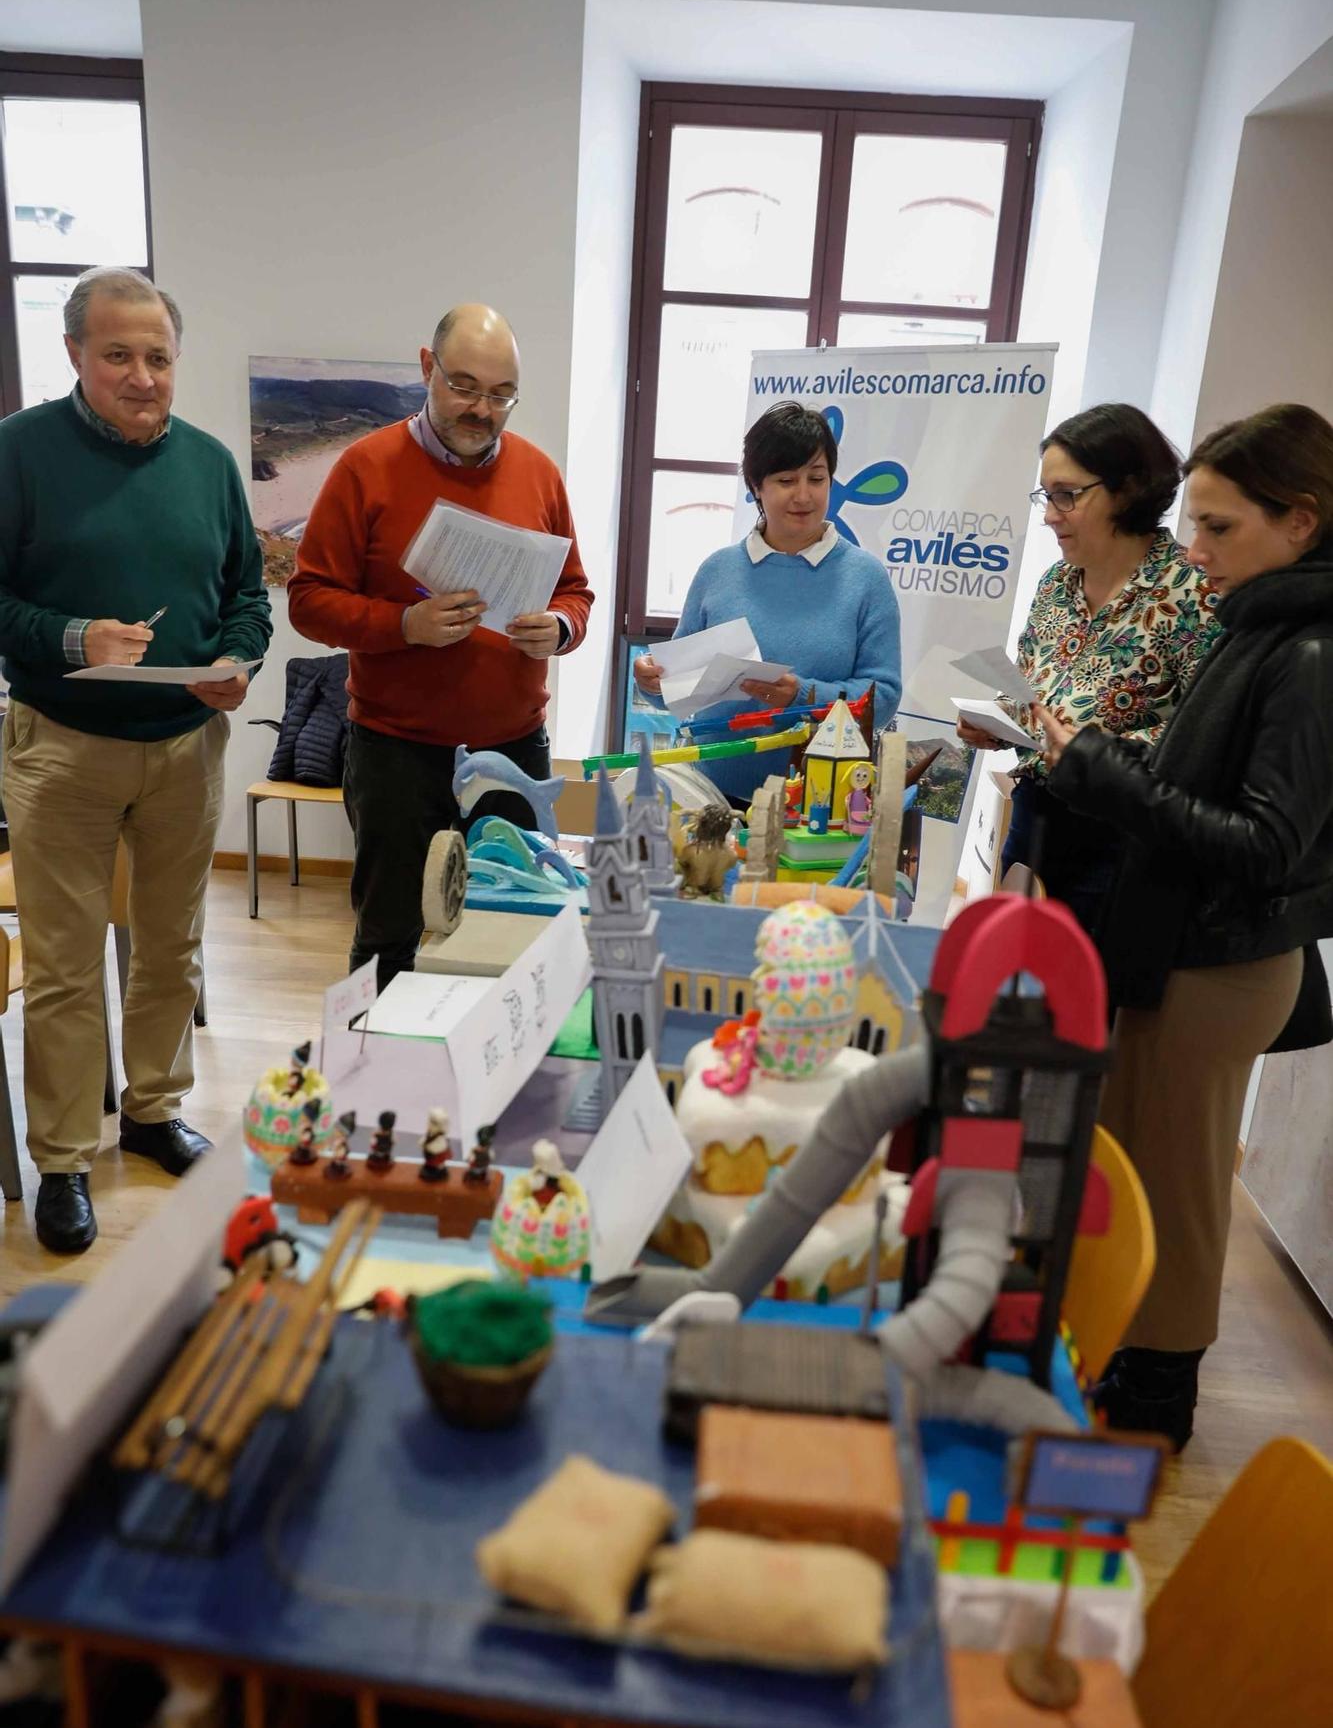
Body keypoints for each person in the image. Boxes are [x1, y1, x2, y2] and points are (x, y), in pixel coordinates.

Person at [1037, 403, 1333, 1448]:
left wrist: (1104, 774)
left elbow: (1264, 845)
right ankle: (1132, 1358)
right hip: (1184, 944)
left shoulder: (1305, 652)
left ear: (1299, 521)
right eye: (1193, 523)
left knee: (1182, 1179)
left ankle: (1157, 1397)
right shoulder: (1259, 624)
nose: (1193, 548)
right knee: (1149, 1163)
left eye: (1217, 528)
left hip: (1220, 958)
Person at [0, 267, 270, 1255]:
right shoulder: (19, 452)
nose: (142, 376)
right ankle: (65, 1157)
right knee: (67, 967)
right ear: (75, 354)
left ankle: (153, 1108)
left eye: (158, 356)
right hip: (60, 749)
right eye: (119, 354)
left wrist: (240, 659)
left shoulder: (206, 464)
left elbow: (247, 593)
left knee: (171, 945)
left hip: (187, 747)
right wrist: (73, 638)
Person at [288, 303, 593, 989]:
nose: (481, 409)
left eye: (500, 395)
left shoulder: (539, 474)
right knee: (388, 935)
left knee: (514, 928)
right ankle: (371, 1087)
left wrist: (560, 628)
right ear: (426, 369)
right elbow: (309, 600)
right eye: (463, 386)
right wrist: (404, 626)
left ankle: (498, 1089)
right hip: (397, 751)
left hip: (512, 752)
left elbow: (575, 591)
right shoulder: (364, 469)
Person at [958, 403, 1218, 936]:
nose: (1050, 513)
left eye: (1066, 495)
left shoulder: (1192, 592)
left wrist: (1091, 749)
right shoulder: (1056, 584)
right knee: (1014, 993)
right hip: (1033, 823)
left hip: (1123, 837)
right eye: (1045, 496)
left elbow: (1205, 737)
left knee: (1091, 1009)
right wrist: (998, 722)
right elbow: (1036, 696)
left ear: (1127, 488)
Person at [633, 402, 901, 805]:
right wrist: (651, 682)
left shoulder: (865, 578)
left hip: (820, 804)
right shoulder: (717, 570)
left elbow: (882, 699)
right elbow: (675, 686)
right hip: (713, 795)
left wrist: (803, 696)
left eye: (817, 477)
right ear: (757, 486)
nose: (804, 495)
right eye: (785, 480)